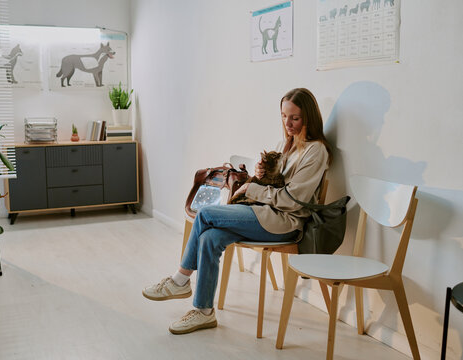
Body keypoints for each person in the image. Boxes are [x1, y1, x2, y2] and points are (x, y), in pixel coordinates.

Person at [142, 88, 332, 335]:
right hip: (264, 214)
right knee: (210, 238)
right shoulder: (286, 145)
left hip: (284, 223)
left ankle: (179, 280)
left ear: (309, 118)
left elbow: (294, 202)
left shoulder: (316, 151)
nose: (288, 123)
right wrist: (262, 176)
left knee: (206, 214)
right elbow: (275, 186)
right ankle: (204, 312)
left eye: (294, 118)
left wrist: (252, 189)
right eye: (284, 116)